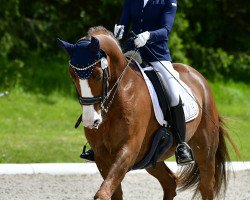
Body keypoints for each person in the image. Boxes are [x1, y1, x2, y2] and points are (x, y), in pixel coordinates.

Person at [81, 0, 194, 165]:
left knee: (173, 94)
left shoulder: (168, 1)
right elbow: (124, 23)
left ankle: (181, 145)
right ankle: (98, 144)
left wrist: (149, 35)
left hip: (157, 55)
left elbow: (165, 30)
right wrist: (118, 31)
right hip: (131, 53)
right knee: (106, 85)